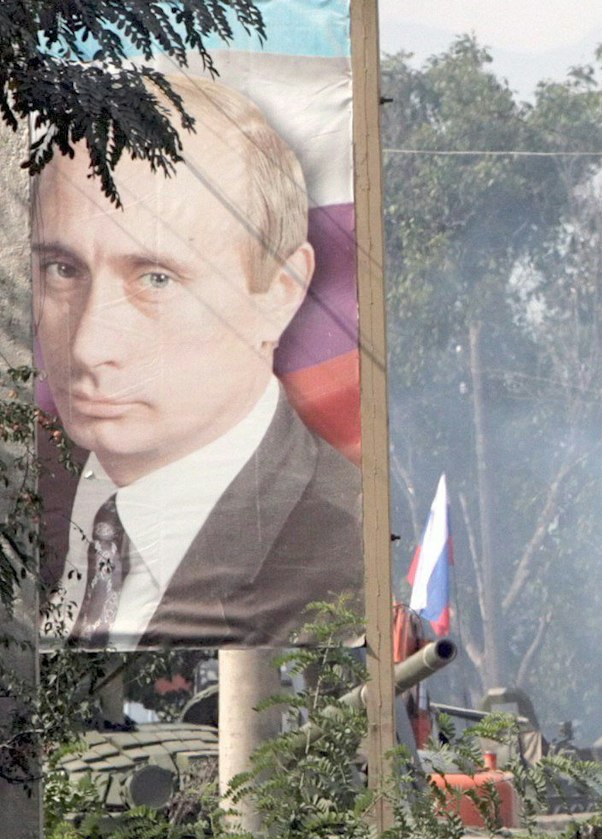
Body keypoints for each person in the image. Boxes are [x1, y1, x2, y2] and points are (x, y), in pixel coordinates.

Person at [32, 72, 362, 648]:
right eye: (63, 270)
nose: (87, 346)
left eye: (156, 279)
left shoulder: (343, 558)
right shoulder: (23, 487)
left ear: (280, 291)